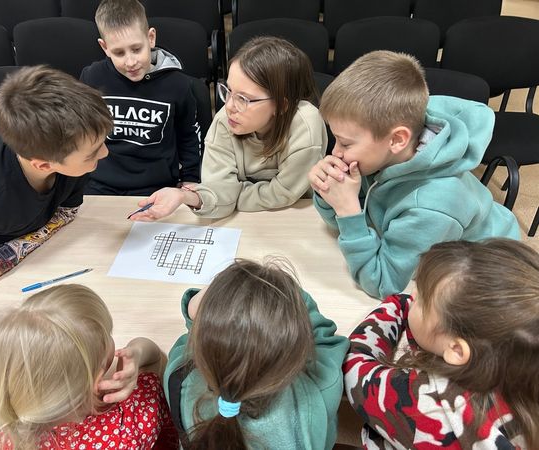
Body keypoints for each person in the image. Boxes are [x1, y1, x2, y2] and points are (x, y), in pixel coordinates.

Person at [308, 50, 520, 299]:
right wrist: (331, 193)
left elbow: (384, 283)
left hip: (486, 272)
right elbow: (347, 225)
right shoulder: (387, 151)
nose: (336, 152)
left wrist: (347, 210)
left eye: (345, 143)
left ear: (397, 140)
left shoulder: (432, 205)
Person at [344, 238, 539, 449]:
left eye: (421, 300)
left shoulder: (429, 398)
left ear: (457, 350)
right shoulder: (522, 362)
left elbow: (354, 369)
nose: (413, 294)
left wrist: (397, 305)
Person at [0, 66, 112, 286]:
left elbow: (67, 213)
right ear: (44, 165)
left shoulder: (68, 157)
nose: (105, 153)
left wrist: (6, 256)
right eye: (92, 153)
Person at [129, 36, 328, 221]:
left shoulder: (306, 125)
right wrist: (185, 196)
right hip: (243, 220)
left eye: (244, 98)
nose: (229, 106)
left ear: (282, 105)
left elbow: (283, 194)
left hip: (298, 216)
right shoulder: (226, 120)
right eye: (229, 91)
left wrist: (231, 195)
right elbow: (218, 189)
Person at [0, 284, 179, 449]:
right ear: (97, 376)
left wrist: (4, 359)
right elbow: (156, 358)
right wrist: (137, 351)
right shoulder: (131, 422)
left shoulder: (1, 418)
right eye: (108, 334)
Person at [164, 258, 348, 449]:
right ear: (294, 359)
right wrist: (286, 294)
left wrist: (209, 308)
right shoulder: (318, 390)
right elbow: (326, 341)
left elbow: (193, 339)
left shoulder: (179, 380)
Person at [80, 0, 201, 196]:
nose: (130, 62)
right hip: (100, 184)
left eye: (136, 49)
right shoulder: (92, 77)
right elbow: (82, 131)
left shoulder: (177, 84)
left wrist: (191, 178)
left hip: (157, 186)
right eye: (119, 53)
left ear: (151, 38)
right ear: (105, 47)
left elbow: (188, 136)